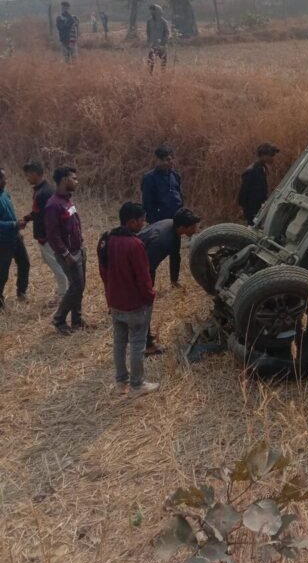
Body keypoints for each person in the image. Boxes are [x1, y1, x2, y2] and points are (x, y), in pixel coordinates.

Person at [97, 202, 158, 396]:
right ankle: (137, 385)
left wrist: (109, 295)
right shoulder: (135, 244)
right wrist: (150, 295)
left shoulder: (106, 239)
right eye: (141, 221)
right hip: (135, 304)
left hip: (115, 302)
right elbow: (143, 277)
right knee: (138, 344)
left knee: (119, 343)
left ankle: (121, 382)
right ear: (132, 222)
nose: (143, 224)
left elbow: (103, 271)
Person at [139, 207, 201, 354]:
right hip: (139, 265)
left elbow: (175, 256)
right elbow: (145, 267)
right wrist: (147, 287)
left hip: (144, 263)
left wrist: (174, 280)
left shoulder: (172, 227)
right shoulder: (162, 241)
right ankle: (146, 344)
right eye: (193, 226)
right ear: (183, 227)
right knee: (144, 305)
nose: (195, 229)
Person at [45, 166, 87, 334]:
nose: (77, 181)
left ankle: (77, 320)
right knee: (76, 286)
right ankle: (59, 320)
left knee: (80, 286)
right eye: (73, 178)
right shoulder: (53, 205)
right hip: (68, 254)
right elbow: (53, 235)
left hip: (78, 249)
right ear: (64, 180)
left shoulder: (67, 200)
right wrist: (66, 254)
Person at [22, 160, 68, 303]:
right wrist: (27, 218)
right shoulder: (41, 190)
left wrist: (48, 237)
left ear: (36, 174)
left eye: (28, 175)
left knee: (57, 266)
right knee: (52, 263)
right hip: (45, 237)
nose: (27, 178)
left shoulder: (44, 192)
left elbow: (48, 217)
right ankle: (63, 291)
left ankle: (64, 295)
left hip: (48, 238)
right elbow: (38, 212)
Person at [141, 147, 184, 281]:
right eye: (166, 160)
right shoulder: (149, 178)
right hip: (159, 221)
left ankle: (174, 280)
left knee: (175, 252)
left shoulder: (175, 176)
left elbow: (179, 195)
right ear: (158, 160)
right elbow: (147, 202)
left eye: (170, 159)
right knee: (154, 254)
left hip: (175, 219)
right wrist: (153, 221)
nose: (169, 162)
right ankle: (149, 283)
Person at [0, 167, 30, 310]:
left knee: (24, 263)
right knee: (2, 272)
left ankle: (21, 292)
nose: (5, 180)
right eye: (2, 178)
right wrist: (13, 224)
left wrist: (17, 225)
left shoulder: (5, 194)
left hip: (15, 236)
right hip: (3, 241)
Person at [238, 143, 280, 223]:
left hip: (259, 207)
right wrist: (243, 209)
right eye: (271, 155)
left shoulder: (262, 168)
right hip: (252, 208)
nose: (273, 158)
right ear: (263, 155)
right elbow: (243, 191)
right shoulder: (252, 171)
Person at [147, 3, 170, 72]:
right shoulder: (149, 22)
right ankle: (150, 75)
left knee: (163, 62)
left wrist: (163, 43)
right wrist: (149, 41)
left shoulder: (164, 22)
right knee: (150, 62)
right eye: (151, 10)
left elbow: (167, 33)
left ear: (158, 11)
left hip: (161, 45)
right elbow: (148, 32)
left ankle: (163, 75)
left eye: (153, 10)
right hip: (153, 45)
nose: (151, 12)